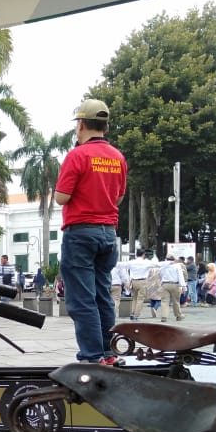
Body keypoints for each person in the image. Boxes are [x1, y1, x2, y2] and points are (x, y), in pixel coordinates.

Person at [54, 98, 127, 364]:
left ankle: (92, 355)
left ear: (81, 124)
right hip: (108, 233)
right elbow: (118, 198)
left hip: (81, 233)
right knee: (102, 295)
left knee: (82, 300)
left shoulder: (78, 155)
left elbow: (62, 197)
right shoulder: (118, 157)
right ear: (105, 126)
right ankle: (109, 352)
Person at [126, 249, 157, 320]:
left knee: (134, 299)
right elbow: (156, 264)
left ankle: (132, 313)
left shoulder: (132, 262)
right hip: (142, 281)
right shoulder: (146, 262)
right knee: (140, 299)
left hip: (133, 282)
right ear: (143, 254)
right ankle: (136, 315)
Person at [158, 256, 185, 322]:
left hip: (165, 284)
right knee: (176, 301)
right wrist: (183, 286)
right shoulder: (177, 266)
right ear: (174, 260)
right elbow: (180, 276)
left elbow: (160, 275)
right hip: (175, 284)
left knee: (164, 301)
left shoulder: (162, 266)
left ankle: (164, 316)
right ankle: (178, 315)